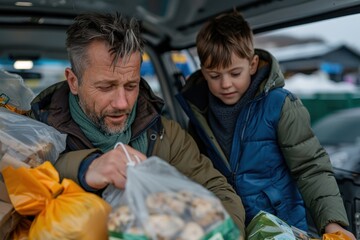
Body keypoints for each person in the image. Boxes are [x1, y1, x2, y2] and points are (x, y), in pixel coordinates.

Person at [28, 12, 246, 236]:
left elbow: (219, 192)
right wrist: (84, 169)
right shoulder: (35, 134)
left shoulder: (166, 136)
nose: (122, 103)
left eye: (131, 85)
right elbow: (17, 186)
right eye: (106, 87)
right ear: (74, 81)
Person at [176, 11, 355, 239]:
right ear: (203, 72)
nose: (226, 84)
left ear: (252, 64)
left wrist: (332, 222)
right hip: (231, 228)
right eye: (214, 75)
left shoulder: (280, 105)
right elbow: (197, 172)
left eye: (235, 73)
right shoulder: (199, 113)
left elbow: (310, 167)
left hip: (283, 228)